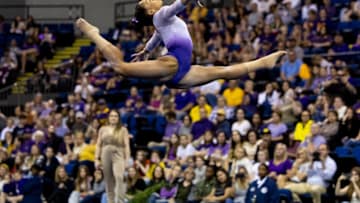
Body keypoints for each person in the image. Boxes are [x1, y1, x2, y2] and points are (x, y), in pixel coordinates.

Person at [75, 0, 286, 89]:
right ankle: (94, 34)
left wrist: (146, 50)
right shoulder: (161, 14)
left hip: (181, 72)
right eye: (148, 1)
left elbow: (158, 36)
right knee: (121, 67)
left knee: (225, 71)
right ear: (151, 10)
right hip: (174, 63)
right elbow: (177, 5)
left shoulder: (159, 22)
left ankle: (264, 63)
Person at [95, 110, 131, 203]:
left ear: (118, 118)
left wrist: (127, 159)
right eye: (111, 116)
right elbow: (98, 144)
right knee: (108, 180)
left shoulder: (123, 129)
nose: (113, 118)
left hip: (118, 153)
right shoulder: (102, 129)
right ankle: (111, 201)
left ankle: (120, 200)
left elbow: (127, 145)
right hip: (105, 153)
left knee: (119, 177)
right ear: (108, 117)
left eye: (115, 116)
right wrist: (96, 159)